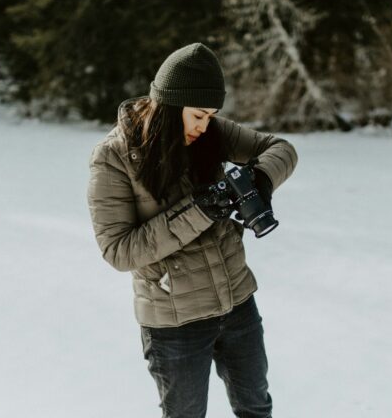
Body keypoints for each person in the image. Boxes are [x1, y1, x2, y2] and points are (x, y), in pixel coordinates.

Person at [87, 42, 298, 418]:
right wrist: (199, 210)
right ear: (169, 106)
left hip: (237, 300)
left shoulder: (211, 132)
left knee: (256, 407)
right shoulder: (113, 157)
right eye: (198, 115)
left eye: (212, 115)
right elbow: (118, 250)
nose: (205, 126)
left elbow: (280, 147)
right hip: (174, 321)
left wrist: (260, 180)